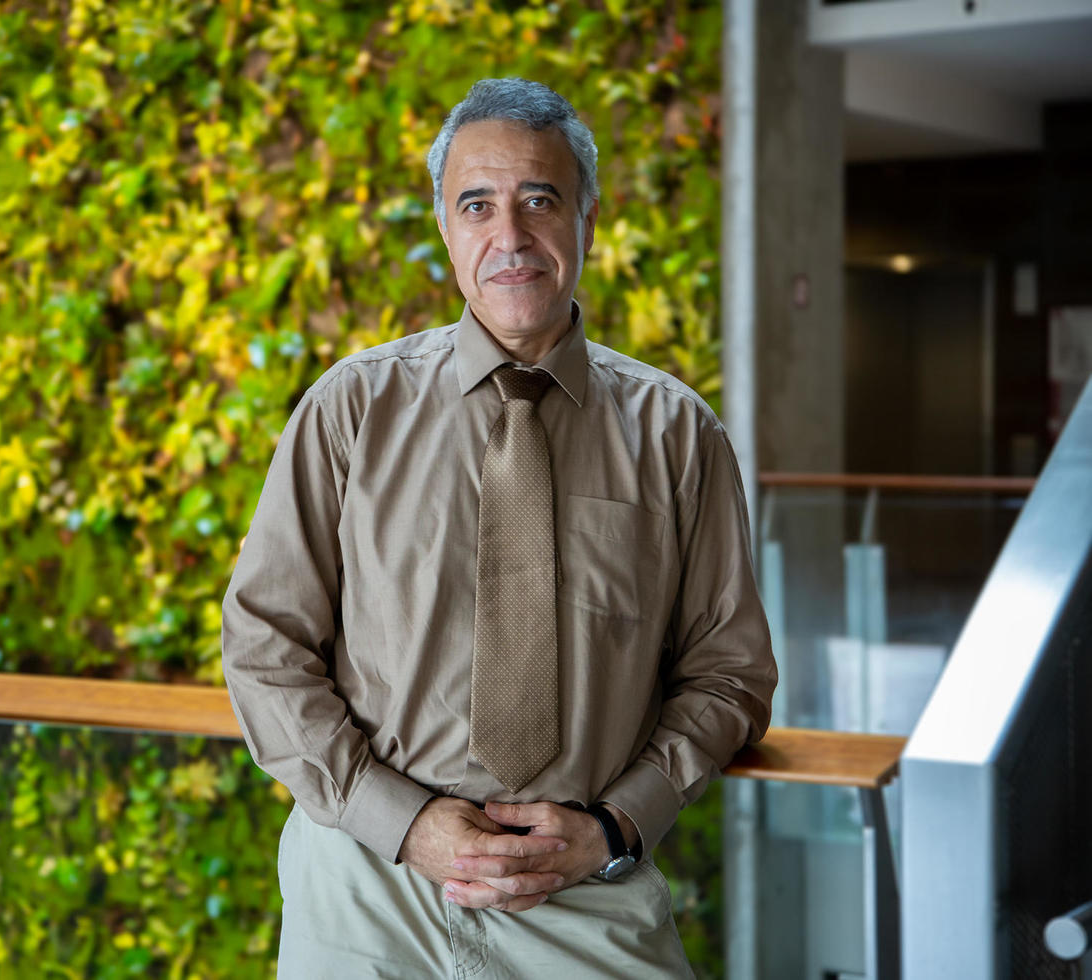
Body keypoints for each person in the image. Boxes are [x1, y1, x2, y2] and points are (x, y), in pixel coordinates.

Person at [221, 77, 776, 978]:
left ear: (588, 219)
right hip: (366, 890)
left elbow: (730, 673)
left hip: (584, 898)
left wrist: (618, 823)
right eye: (476, 205)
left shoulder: (678, 435)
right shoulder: (350, 411)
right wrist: (396, 819)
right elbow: (263, 645)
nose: (509, 237)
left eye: (540, 201)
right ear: (444, 229)